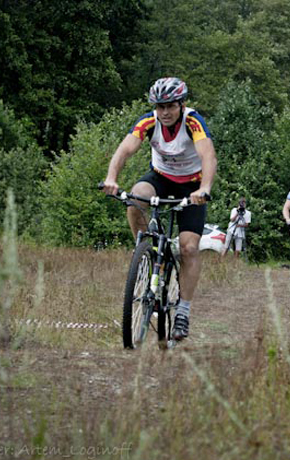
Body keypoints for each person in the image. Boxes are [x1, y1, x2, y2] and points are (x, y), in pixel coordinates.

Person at [101, 77, 217, 341]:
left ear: (181, 104)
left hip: (192, 185)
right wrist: (111, 178)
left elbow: (208, 155)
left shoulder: (193, 122)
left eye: (170, 106)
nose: (164, 112)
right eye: (160, 106)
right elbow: (125, 149)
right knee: (135, 198)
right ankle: (145, 253)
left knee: (189, 247)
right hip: (160, 178)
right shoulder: (149, 121)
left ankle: (184, 312)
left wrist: (205, 188)